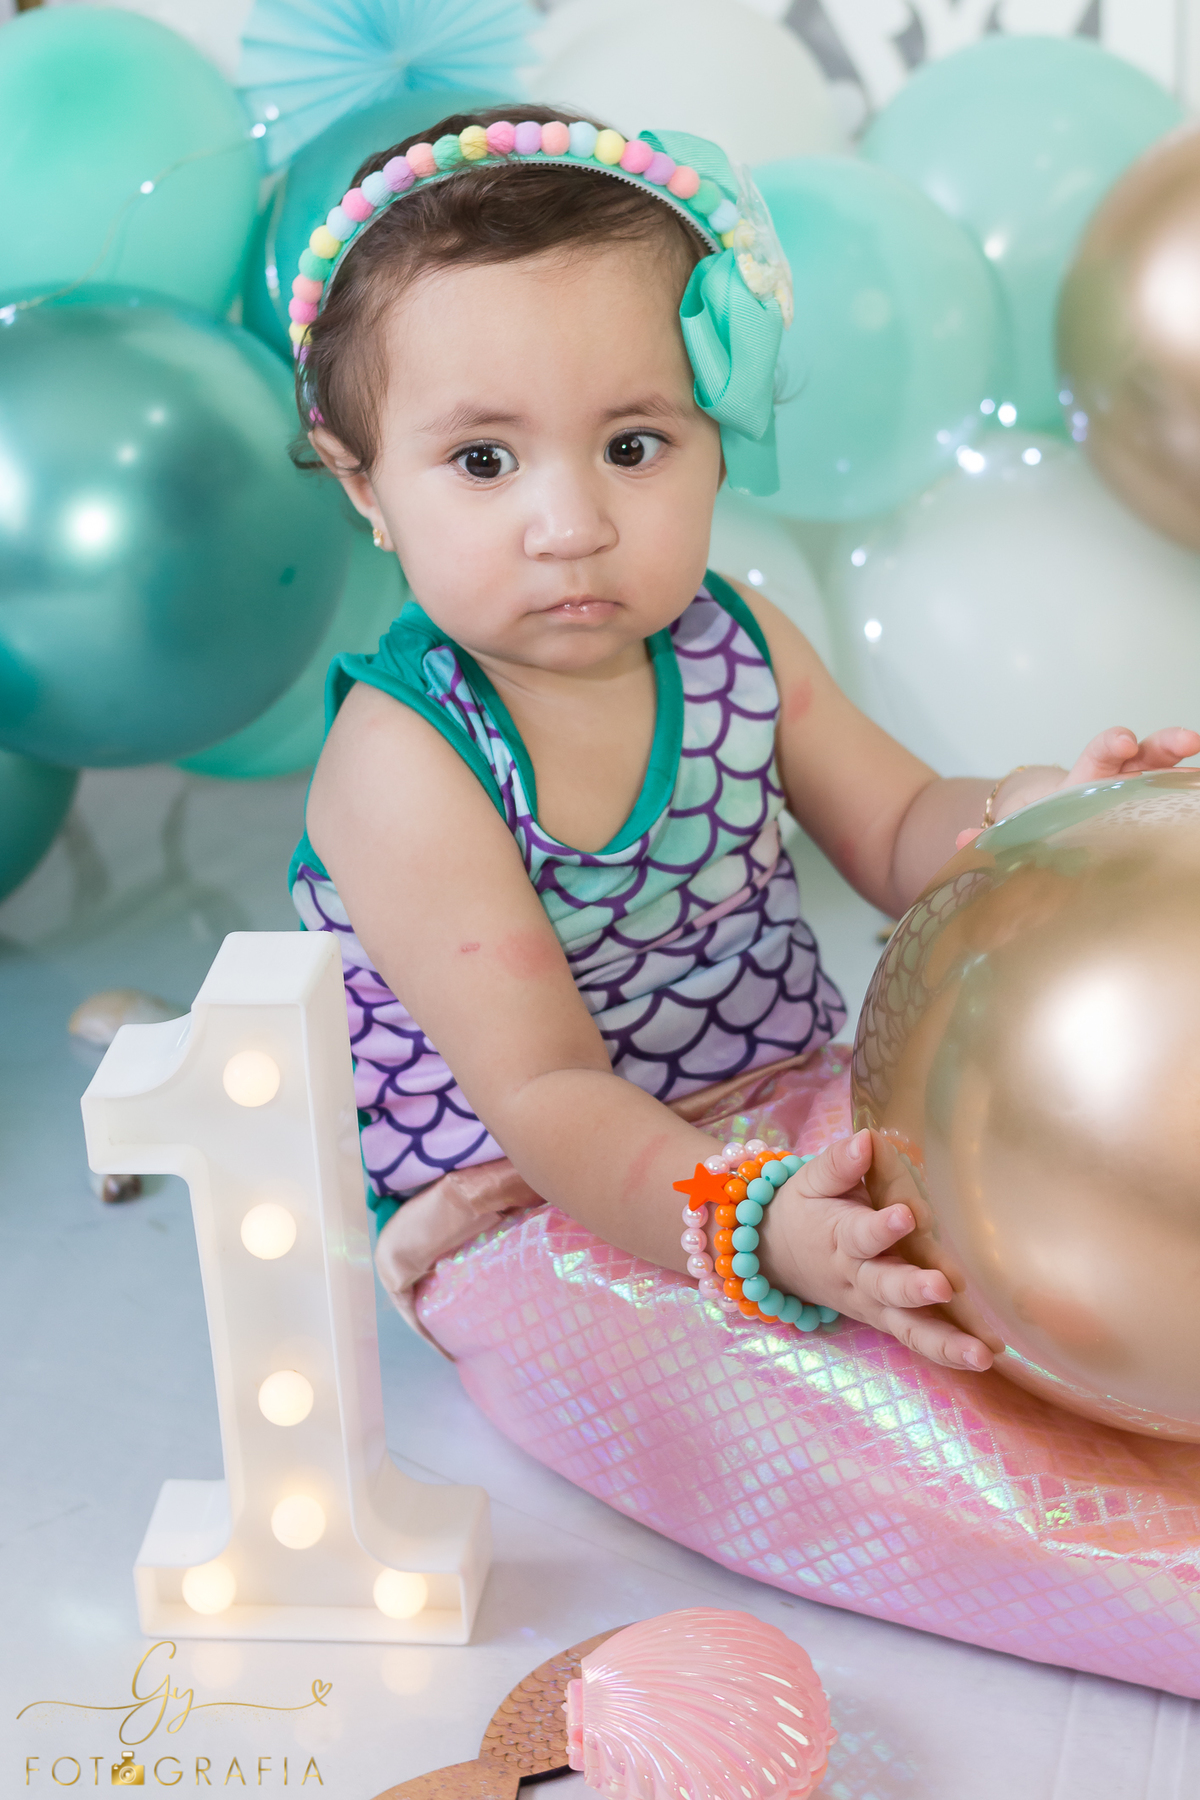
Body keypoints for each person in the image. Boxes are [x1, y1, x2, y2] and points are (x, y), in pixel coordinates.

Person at [287, 104, 1197, 1371]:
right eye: (485, 460)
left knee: (1023, 1267)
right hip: (532, 1197)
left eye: (633, 445)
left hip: (763, 1108)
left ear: (720, 443)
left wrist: (1039, 817)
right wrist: (755, 1228)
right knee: (859, 1391)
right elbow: (548, 1095)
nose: (572, 524)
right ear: (366, 484)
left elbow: (897, 825)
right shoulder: (410, 764)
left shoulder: (733, 645)